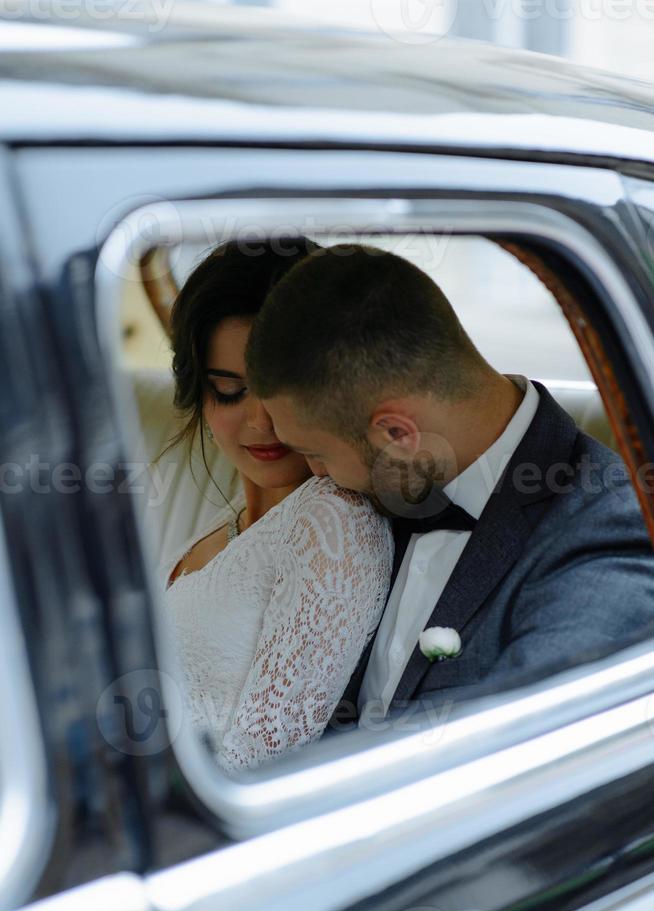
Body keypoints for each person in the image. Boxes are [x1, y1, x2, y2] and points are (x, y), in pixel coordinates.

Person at [245, 243, 654, 730]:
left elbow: (522, 767)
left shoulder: (606, 540)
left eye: (317, 453)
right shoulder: (366, 506)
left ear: (396, 434)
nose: (315, 473)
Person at [158, 240, 394, 770]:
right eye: (230, 391)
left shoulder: (335, 524)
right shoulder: (229, 525)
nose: (263, 423)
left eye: (281, 391)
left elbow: (267, 763)